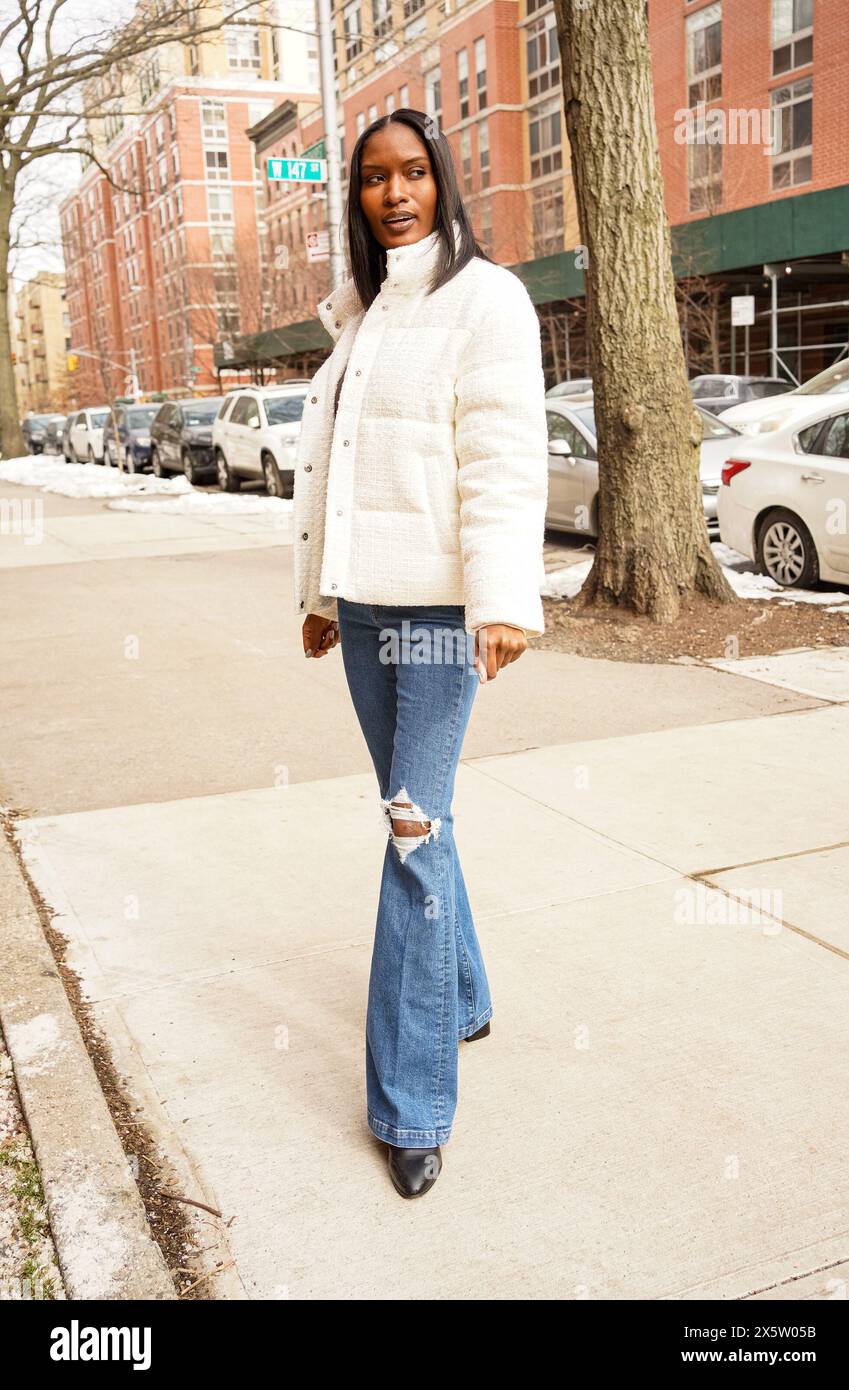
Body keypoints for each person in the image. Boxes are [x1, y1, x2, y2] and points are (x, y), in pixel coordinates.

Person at [293, 109, 548, 1199]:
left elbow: (498, 452)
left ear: (443, 179)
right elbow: (334, 472)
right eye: (371, 178)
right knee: (419, 817)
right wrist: (317, 595)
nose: (393, 192)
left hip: (441, 618)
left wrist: (501, 600)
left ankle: (410, 1103)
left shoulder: (485, 301)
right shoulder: (360, 315)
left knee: (409, 830)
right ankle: (469, 994)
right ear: (355, 197)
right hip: (361, 610)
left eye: (411, 173)